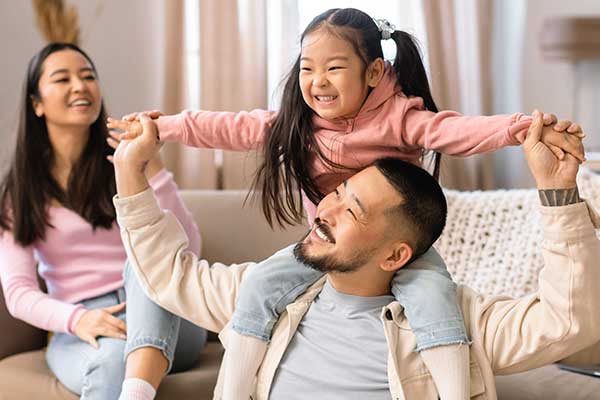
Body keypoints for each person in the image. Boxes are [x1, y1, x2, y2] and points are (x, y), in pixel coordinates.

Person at [111, 8, 585, 399]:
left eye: (334, 68)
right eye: (307, 68)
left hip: (402, 255)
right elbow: (229, 127)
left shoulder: (401, 117)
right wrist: (164, 129)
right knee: (260, 285)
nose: (317, 81)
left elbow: (453, 131)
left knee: (432, 299)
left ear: (374, 71)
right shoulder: (298, 126)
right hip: (324, 257)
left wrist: (520, 129)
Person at [0, 43, 206, 400]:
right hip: (83, 320)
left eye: (88, 76)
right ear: (36, 103)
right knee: (111, 362)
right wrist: (78, 319)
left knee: (145, 263)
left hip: (165, 311)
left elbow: (187, 250)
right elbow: (19, 293)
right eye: (63, 79)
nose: (80, 86)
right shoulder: (20, 192)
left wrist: (152, 170)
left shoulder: (128, 163)